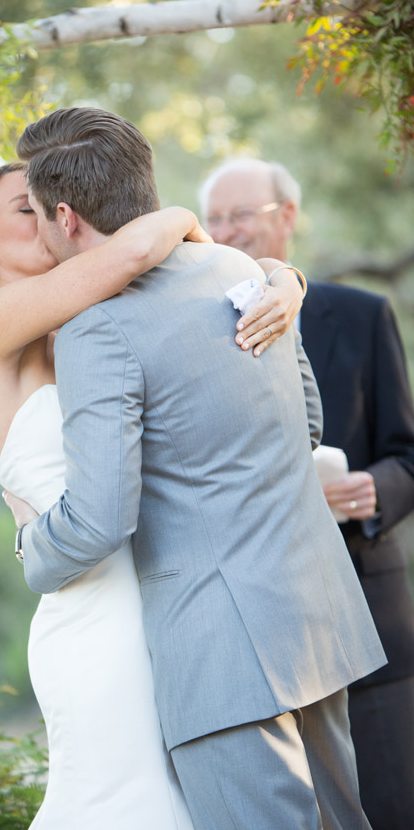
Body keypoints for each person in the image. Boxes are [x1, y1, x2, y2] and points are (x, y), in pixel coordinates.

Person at [6, 107, 386, 830]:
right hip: (314, 615)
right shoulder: (243, 271)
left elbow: (99, 516)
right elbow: (308, 423)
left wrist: (32, 545)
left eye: (33, 214)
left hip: (221, 653)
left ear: (66, 216)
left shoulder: (97, 327)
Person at [0, 159, 302, 830]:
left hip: (171, 608)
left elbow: (196, 288)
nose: (50, 212)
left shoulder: (97, 320)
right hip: (93, 621)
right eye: (27, 207)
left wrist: (285, 280)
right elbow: (142, 246)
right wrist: (185, 217)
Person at [201, 156, 414, 830]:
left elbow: (408, 453)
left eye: (243, 215)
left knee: (392, 804)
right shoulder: (198, 333)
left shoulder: (362, 316)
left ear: (286, 217)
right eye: (215, 219)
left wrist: (372, 489)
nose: (228, 231)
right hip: (261, 636)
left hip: (371, 613)